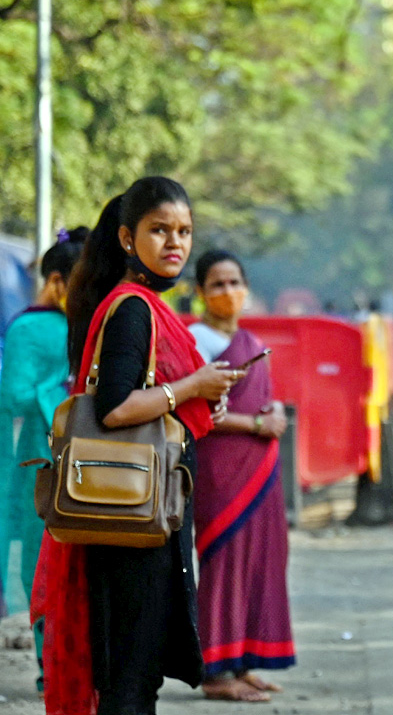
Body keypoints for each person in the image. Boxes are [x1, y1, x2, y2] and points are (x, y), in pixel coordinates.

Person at [34, 176, 243, 715]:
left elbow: (154, 399)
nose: (175, 242)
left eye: (184, 231)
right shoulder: (132, 308)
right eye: (160, 230)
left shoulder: (141, 303)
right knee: (130, 678)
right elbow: (116, 407)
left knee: (135, 674)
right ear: (128, 239)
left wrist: (199, 399)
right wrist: (191, 388)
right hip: (129, 522)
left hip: (140, 518)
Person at [188, 250, 296, 702]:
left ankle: (245, 660)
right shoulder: (196, 340)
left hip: (261, 467)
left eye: (235, 282)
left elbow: (261, 398)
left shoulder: (250, 341)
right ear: (200, 293)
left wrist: (272, 412)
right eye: (217, 284)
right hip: (220, 471)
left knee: (261, 561)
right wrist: (257, 423)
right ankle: (216, 673)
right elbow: (197, 410)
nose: (228, 292)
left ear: (246, 288)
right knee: (224, 563)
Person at [0, 226, 89, 694]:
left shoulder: (98, 321)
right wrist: (62, 386)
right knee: (43, 565)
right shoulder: (31, 327)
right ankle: (48, 664)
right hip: (41, 459)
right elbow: (12, 395)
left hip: (92, 455)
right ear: (56, 281)